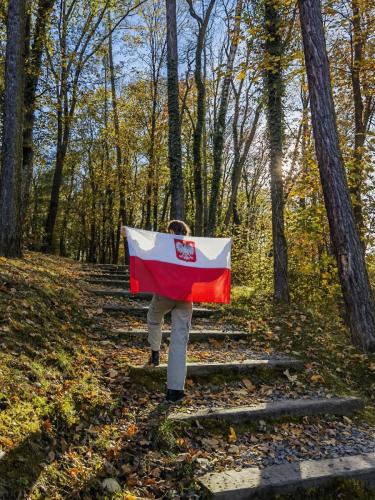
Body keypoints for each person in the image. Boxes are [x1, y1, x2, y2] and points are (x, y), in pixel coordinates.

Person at [147, 220, 193, 403]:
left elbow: (147, 255)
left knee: (153, 318)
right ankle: (175, 391)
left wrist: (131, 237)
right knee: (180, 342)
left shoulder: (165, 244)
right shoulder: (194, 248)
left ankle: (155, 351)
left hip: (165, 293)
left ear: (172, 230)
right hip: (186, 298)